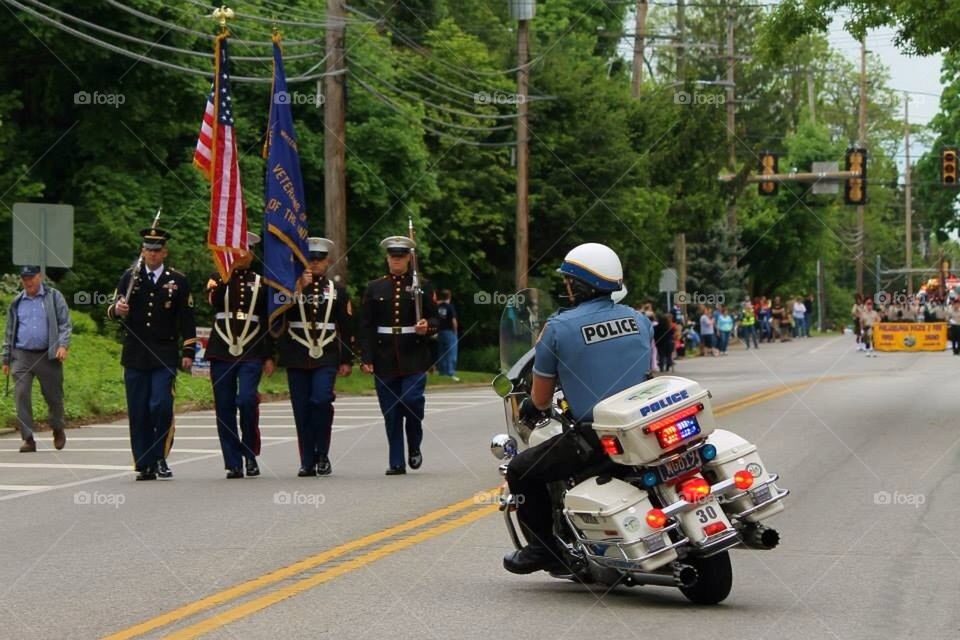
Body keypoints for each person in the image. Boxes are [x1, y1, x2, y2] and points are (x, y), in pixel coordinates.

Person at [503, 243, 653, 574]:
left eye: (568, 281)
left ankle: (543, 550)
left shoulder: (559, 328)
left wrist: (530, 405)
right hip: (645, 427)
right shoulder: (640, 320)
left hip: (597, 437)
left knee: (521, 471)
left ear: (576, 285)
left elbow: (542, 399)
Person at [107, 227, 196, 481]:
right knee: (138, 409)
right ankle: (144, 462)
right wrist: (118, 309)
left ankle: (160, 457)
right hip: (135, 352)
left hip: (163, 351)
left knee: (160, 404)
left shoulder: (177, 280)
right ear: (142, 251)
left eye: (157, 250)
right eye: (148, 250)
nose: (152, 254)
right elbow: (112, 310)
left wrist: (188, 349)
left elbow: (186, 318)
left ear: (164, 252)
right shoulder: (130, 277)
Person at [359, 235, 440, 475]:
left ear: (408, 258)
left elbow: (436, 318)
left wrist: (428, 326)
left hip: (413, 354)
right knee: (391, 411)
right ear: (387, 258)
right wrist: (366, 357)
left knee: (412, 401)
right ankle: (396, 461)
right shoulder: (374, 287)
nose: (396, 261)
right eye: (393, 257)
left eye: (401, 257)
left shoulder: (421, 286)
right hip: (384, 357)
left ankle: (414, 444)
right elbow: (365, 325)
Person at [278, 237, 354, 477]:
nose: (315, 263)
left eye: (319, 259)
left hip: (326, 354)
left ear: (327, 261)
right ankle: (307, 460)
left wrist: (346, 359)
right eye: (310, 259)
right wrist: (297, 287)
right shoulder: (289, 288)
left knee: (321, 401)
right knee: (301, 409)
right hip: (297, 355)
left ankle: (323, 453)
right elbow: (278, 319)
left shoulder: (337, 291)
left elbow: (346, 326)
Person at [205, 233, 274, 479]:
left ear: (252, 254)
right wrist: (225, 273)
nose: (241, 256)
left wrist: (269, 355)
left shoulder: (262, 282)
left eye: (246, 251)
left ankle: (249, 453)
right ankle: (232, 461)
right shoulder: (218, 278)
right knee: (224, 407)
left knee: (246, 400)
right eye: (237, 251)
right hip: (222, 349)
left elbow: (269, 321)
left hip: (251, 349)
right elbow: (213, 302)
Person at [2, 265, 71, 453]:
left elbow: (65, 323)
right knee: (21, 395)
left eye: (31, 278)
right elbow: (9, 331)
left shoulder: (53, 297)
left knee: (53, 397)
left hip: (48, 354)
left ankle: (57, 428)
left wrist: (63, 345)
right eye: (25, 278)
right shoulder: (17, 302)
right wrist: (6, 358)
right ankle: (28, 438)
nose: (28, 282)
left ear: (39, 277)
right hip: (22, 355)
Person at [435, 289, 459, 381]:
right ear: (449, 296)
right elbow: (453, 320)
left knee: (442, 352)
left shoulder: (438, 307)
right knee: (451, 353)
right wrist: (455, 331)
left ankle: (442, 372)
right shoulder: (450, 307)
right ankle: (450, 372)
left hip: (440, 331)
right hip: (449, 331)